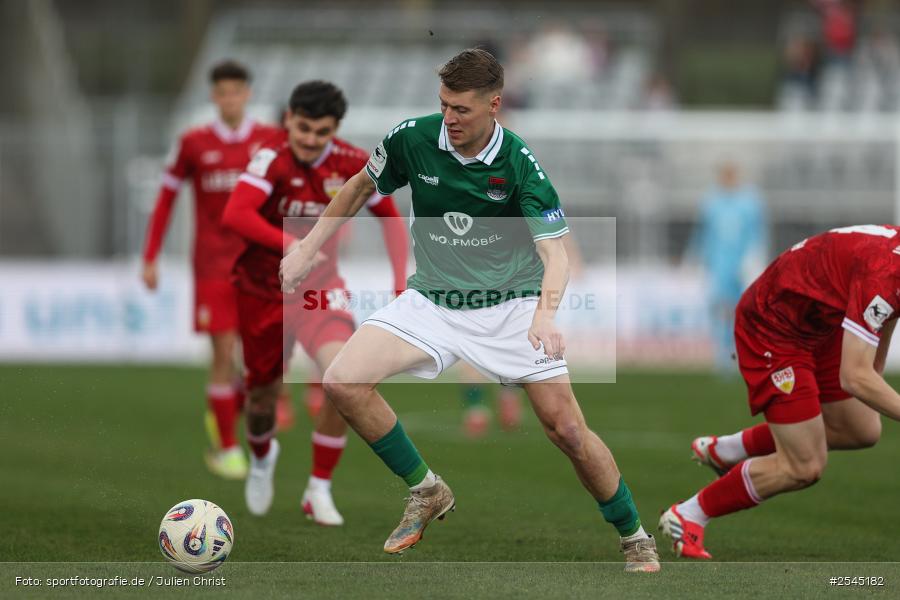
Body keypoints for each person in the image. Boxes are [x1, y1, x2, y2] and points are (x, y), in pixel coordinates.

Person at [279, 49, 661, 572]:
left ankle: (634, 534)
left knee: (567, 430)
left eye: (461, 109)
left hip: (512, 307)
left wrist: (544, 316)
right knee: (343, 380)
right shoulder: (412, 137)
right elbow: (360, 186)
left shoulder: (521, 166)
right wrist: (305, 247)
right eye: (444, 106)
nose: (449, 119)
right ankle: (427, 489)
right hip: (434, 301)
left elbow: (555, 254)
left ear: (494, 106)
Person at [222, 80, 408, 525]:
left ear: (335, 130)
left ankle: (318, 487)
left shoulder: (352, 163)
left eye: (320, 132)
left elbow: (391, 217)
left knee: (344, 375)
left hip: (319, 293)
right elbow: (236, 214)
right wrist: (290, 244)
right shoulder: (270, 158)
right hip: (261, 291)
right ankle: (263, 457)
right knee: (262, 399)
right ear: (288, 120)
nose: (309, 139)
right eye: (302, 128)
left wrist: (401, 283)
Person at [660, 224, 900, 559]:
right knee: (805, 466)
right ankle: (689, 513)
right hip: (772, 327)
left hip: (819, 325)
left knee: (862, 428)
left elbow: (887, 316)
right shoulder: (884, 270)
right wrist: (868, 379)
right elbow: (854, 377)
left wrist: (873, 374)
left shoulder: (892, 261)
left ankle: (728, 449)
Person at [141, 60, 281, 480]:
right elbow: (165, 199)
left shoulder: (270, 140)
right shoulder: (192, 143)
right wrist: (150, 257)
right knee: (223, 351)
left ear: (247, 94)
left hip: (260, 266)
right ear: (213, 96)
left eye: (236, 91)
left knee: (257, 362)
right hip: (213, 266)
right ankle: (226, 447)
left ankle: (223, 414)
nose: (230, 99)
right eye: (222, 93)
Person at [685, 161, 767, 373]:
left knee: (742, 308)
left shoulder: (750, 201)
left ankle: (741, 350)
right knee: (720, 307)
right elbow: (704, 234)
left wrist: (754, 258)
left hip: (741, 264)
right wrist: (697, 258)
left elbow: (758, 233)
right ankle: (723, 354)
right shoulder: (711, 201)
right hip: (719, 263)